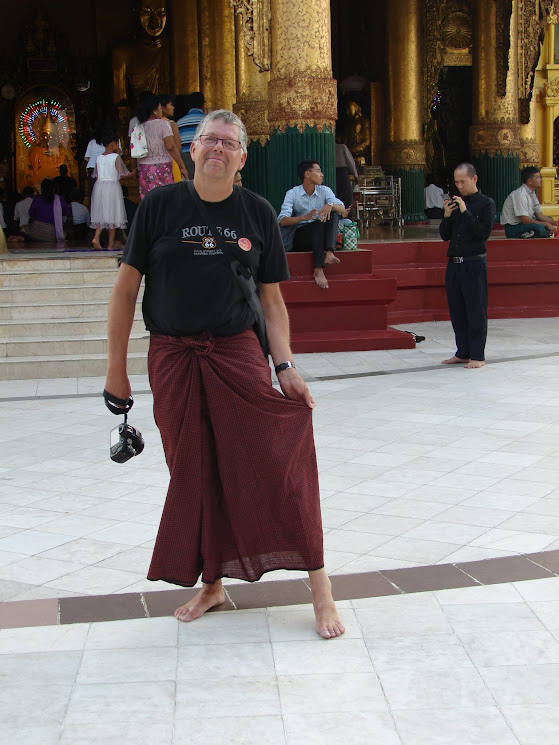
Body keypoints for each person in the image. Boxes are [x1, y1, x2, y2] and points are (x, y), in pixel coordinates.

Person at [104, 109, 345, 639]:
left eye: (228, 143)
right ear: (190, 149)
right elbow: (125, 292)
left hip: (237, 353)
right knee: (193, 472)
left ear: (242, 156)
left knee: (275, 465)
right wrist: (114, 373)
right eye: (208, 139)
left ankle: (320, 586)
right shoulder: (159, 207)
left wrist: (285, 367)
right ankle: (212, 582)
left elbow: (273, 301)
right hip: (171, 357)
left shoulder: (257, 212)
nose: (217, 148)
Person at [439, 163, 496, 369]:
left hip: (474, 263)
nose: (459, 186)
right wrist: (446, 216)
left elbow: (482, 233)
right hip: (454, 264)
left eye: (463, 181)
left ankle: (477, 355)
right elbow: (445, 235)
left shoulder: (485, 203)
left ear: (474, 179)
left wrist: (465, 212)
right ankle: (462, 351)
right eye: (456, 182)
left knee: (475, 309)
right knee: (457, 310)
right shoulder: (455, 204)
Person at [278, 160, 349, 290]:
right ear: (307, 174)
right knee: (317, 223)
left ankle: (329, 253)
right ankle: (318, 269)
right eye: (318, 171)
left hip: (320, 237)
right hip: (301, 237)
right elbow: (283, 220)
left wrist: (330, 205)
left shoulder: (325, 190)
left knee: (332, 215)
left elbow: (342, 210)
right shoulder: (293, 193)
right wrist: (303, 217)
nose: (321, 174)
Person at [134, 94, 187, 199]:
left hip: (144, 169)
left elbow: (135, 151)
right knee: (165, 200)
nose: (161, 110)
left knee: (149, 201)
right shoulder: (163, 124)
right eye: (159, 108)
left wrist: (135, 169)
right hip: (161, 168)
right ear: (154, 110)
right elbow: (171, 147)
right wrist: (182, 166)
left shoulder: (138, 127)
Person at [90, 133, 133, 250]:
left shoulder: (99, 158)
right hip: (112, 187)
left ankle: (96, 237)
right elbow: (121, 174)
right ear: (113, 143)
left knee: (102, 213)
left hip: (100, 187)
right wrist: (133, 173)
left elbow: (98, 174)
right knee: (113, 215)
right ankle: (110, 244)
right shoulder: (115, 157)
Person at [501, 167, 557, 238]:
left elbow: (540, 216)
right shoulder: (520, 194)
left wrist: (556, 223)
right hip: (514, 228)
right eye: (537, 177)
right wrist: (545, 224)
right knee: (539, 228)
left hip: (524, 225)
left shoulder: (532, 194)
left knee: (549, 219)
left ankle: (532, 233)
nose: (540, 180)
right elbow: (525, 220)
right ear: (529, 181)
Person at [8, 179, 69, 244]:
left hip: (37, 229)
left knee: (24, 229)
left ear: (41, 189)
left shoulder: (37, 199)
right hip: (52, 232)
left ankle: (23, 238)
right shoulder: (59, 199)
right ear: (54, 189)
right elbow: (67, 212)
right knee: (64, 234)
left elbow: (31, 213)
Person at [177, 92, 206, 179]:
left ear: (188, 106)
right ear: (203, 104)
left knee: (188, 187)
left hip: (185, 158)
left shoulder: (179, 123)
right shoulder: (208, 121)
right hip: (204, 157)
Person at [159, 94, 183, 183]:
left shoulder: (148, 124)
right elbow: (177, 147)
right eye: (170, 104)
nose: (173, 107)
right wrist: (182, 166)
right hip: (171, 163)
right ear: (162, 107)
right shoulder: (171, 124)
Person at [335, 141, 358, 209]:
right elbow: (350, 162)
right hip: (342, 174)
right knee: (347, 197)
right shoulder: (341, 147)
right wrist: (355, 175)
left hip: (334, 173)